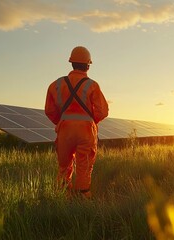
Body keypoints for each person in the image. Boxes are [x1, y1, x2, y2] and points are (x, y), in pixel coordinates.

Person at [45, 46, 109, 199]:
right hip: (86, 132)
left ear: (71, 63)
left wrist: (63, 121)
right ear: (88, 65)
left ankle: (62, 197)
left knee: (63, 166)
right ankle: (82, 199)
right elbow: (102, 111)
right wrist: (91, 122)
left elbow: (49, 110)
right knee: (84, 165)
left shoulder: (56, 85)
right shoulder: (92, 85)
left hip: (64, 130)